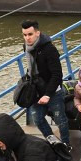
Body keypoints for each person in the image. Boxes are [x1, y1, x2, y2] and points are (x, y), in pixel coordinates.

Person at [21, 20, 70, 148]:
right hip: (36, 91)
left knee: (61, 120)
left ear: (38, 33)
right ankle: (54, 143)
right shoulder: (26, 47)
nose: (27, 38)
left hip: (53, 91)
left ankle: (66, 145)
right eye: (24, 35)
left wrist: (48, 94)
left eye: (30, 34)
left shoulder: (50, 49)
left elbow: (57, 74)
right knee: (38, 119)